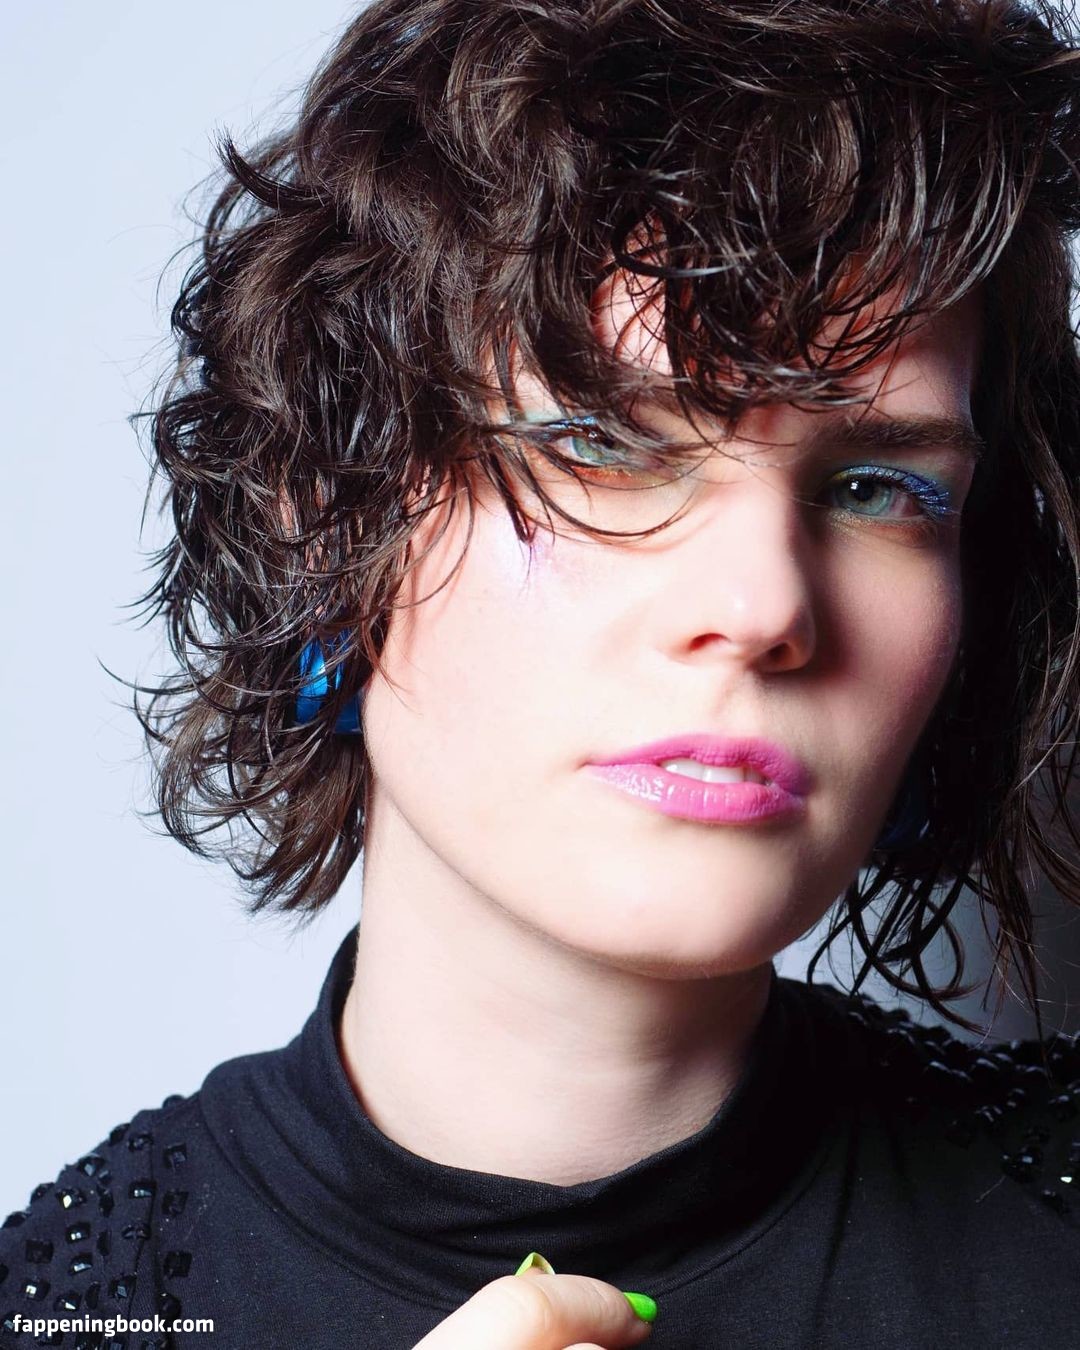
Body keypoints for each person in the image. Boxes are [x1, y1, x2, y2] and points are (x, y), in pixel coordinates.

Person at [4, 0, 1080, 1345]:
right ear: (328, 519)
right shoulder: (68, 1310)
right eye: (602, 445)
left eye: (876, 487)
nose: (762, 607)